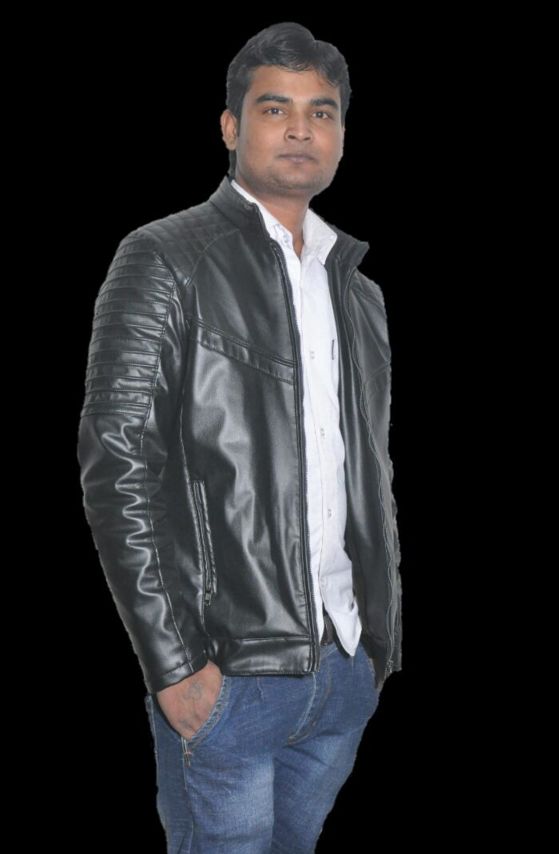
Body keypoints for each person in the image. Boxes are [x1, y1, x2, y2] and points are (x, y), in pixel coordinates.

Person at [77, 20, 402, 852]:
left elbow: (367, 471)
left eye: (322, 112)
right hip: (229, 674)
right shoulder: (165, 257)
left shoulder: (357, 291)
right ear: (230, 127)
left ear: (341, 134)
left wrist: (376, 643)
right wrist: (176, 666)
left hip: (343, 669)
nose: (300, 128)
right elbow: (118, 464)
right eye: (274, 107)